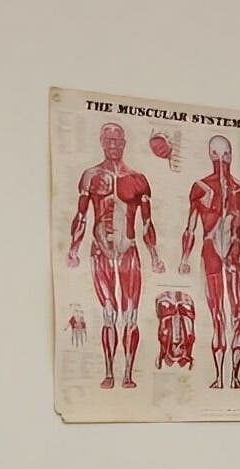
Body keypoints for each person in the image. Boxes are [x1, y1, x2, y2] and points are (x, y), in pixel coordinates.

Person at [66, 122, 164, 390]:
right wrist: (73, 249)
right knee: (109, 313)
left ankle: (128, 374)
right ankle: (109, 373)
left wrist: (154, 256)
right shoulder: (90, 176)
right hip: (100, 251)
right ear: (100, 141)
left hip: (129, 251)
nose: (112, 145)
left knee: (130, 315)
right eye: (108, 140)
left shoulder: (138, 179)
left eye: (117, 140)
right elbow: (81, 217)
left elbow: (147, 223)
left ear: (124, 143)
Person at [179, 135, 240, 390]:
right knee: (218, 317)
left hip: (235, 256)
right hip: (211, 256)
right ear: (211, 155)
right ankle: (220, 377)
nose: (221, 159)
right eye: (216, 154)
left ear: (231, 156)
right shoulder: (199, 188)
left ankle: (235, 377)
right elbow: (190, 228)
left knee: (238, 317)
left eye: (225, 154)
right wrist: (185, 258)